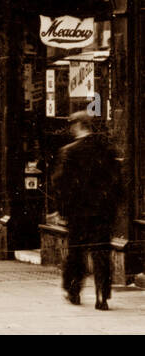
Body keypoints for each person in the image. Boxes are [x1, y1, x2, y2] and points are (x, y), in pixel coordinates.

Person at [54, 111, 123, 310]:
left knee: (76, 253)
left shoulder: (70, 151)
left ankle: (74, 291)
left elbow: (61, 185)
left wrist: (62, 210)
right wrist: (113, 206)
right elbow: (117, 181)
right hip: (102, 212)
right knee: (101, 253)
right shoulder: (106, 150)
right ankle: (102, 295)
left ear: (77, 125)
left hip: (78, 213)